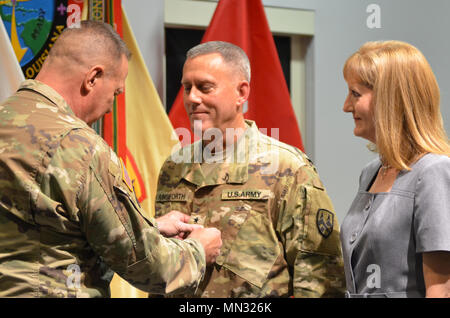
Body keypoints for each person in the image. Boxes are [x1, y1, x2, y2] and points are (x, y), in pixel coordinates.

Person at [0, 20, 222, 298]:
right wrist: (199, 250)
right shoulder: (78, 146)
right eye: (115, 92)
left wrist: (149, 226)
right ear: (93, 77)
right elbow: (146, 266)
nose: (110, 107)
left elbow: (41, 224)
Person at [154, 41, 345, 297]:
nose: (191, 98)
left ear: (241, 93)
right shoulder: (174, 167)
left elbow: (319, 277)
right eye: (187, 88)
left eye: (204, 87)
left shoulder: (286, 168)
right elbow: (161, 272)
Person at [341, 40, 450, 298]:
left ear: (391, 99)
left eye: (355, 94)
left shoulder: (433, 172)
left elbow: (442, 288)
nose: (346, 106)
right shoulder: (370, 172)